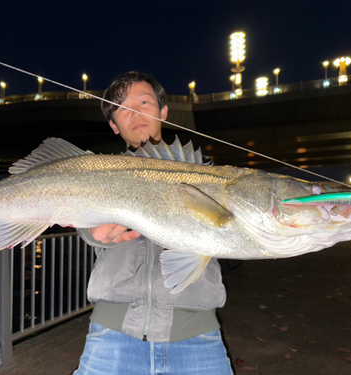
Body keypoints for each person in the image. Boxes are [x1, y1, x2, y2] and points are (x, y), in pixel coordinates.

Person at [73, 72, 233, 374]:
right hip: (111, 337)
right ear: (113, 125)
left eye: (144, 102)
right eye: (122, 108)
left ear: (163, 112)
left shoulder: (202, 171)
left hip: (197, 337)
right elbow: (86, 226)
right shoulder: (99, 172)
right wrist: (94, 232)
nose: (134, 112)